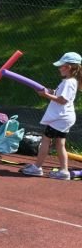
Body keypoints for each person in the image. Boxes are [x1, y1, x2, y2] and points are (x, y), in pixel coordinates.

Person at [20, 52, 81, 180]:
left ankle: (37, 167)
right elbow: (60, 94)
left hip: (60, 118)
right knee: (60, 144)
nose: (59, 68)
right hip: (63, 118)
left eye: (61, 66)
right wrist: (50, 91)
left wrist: (45, 95)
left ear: (68, 67)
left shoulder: (69, 82)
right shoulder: (69, 81)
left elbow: (62, 100)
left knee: (45, 141)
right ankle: (63, 171)